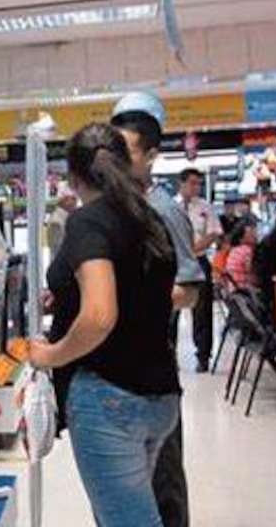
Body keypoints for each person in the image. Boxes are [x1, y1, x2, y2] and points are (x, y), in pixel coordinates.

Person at [29, 123, 179, 526]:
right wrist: (67, 297)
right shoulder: (149, 219)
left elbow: (99, 316)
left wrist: (50, 355)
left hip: (110, 398)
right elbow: (143, 293)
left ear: (73, 177)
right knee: (125, 513)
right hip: (159, 395)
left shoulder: (88, 222)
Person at [111, 92, 204, 527]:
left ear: (151, 155)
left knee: (162, 483)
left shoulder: (164, 212)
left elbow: (189, 291)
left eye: (126, 152)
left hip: (152, 374)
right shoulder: (113, 209)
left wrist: (134, 299)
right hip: (114, 376)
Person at [176, 168, 223, 372]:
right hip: (176, 261)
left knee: (202, 309)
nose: (196, 187)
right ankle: (169, 354)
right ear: (182, 183)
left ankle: (203, 356)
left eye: (199, 184)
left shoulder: (205, 207)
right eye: (192, 183)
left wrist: (193, 249)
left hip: (198, 259)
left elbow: (213, 233)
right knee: (171, 308)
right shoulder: (171, 206)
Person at [226, 219, 258, 289]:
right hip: (244, 289)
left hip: (232, 288)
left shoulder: (234, 250)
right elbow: (251, 270)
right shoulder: (247, 251)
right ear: (241, 239)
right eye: (250, 234)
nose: (255, 236)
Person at [47, 181, 78, 255]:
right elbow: (58, 250)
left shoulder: (69, 217)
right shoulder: (56, 222)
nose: (75, 203)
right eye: (73, 199)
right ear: (63, 200)